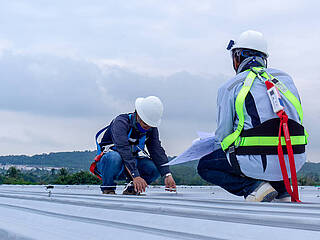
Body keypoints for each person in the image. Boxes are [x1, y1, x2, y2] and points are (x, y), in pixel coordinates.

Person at [197, 30, 308, 202]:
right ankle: (283, 189)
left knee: (205, 166)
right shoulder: (286, 79)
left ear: (237, 58)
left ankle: (255, 188)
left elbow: (223, 135)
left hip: (257, 162)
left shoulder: (230, 86)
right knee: (270, 149)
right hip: (294, 161)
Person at [91, 96, 176, 195]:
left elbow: (157, 151)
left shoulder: (151, 128)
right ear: (137, 115)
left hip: (131, 164)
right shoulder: (121, 123)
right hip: (111, 164)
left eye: (150, 125)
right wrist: (135, 175)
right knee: (114, 157)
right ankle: (108, 188)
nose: (147, 127)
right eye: (145, 123)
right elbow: (123, 150)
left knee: (155, 168)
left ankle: (132, 188)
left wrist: (167, 174)